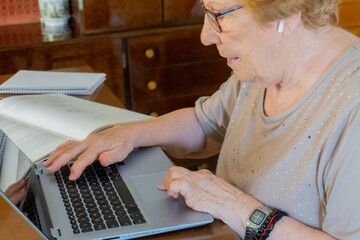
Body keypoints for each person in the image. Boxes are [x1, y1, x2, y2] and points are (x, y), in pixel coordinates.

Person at [44, 0, 360, 239]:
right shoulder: (265, 64)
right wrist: (130, 134)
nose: (206, 36)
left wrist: (236, 205)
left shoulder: (352, 106)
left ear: (287, 13)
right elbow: (207, 125)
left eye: (219, 15)